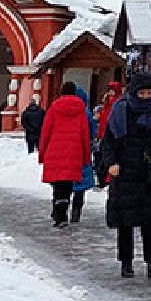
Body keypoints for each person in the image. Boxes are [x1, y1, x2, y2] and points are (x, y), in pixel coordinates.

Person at [100, 73, 151, 279]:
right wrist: (111, 163)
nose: (145, 96)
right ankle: (126, 262)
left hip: (150, 173)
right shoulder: (120, 110)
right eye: (142, 92)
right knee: (126, 220)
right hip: (124, 171)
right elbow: (108, 141)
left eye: (149, 92)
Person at [38, 83, 93, 227]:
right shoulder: (81, 110)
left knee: (58, 184)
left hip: (55, 150)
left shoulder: (53, 108)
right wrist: (86, 157)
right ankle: (63, 211)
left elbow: (46, 132)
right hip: (74, 152)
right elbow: (85, 135)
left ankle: (59, 213)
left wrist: (42, 153)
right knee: (68, 184)